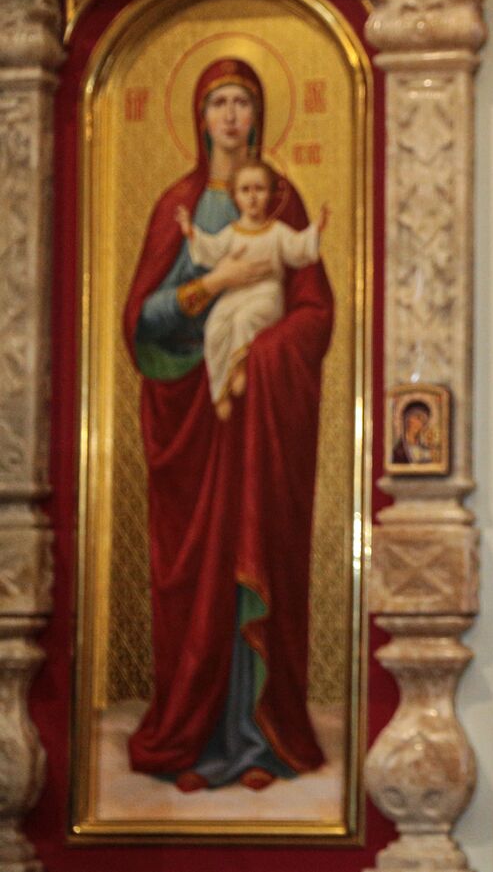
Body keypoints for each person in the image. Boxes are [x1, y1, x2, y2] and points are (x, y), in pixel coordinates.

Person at [122, 57, 331, 792]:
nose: (233, 115)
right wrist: (211, 285)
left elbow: (315, 308)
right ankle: (194, 741)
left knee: (257, 561)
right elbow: (141, 319)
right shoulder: (178, 205)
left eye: (244, 100)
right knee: (198, 577)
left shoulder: (285, 199)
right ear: (200, 116)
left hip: (260, 419)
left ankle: (258, 740)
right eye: (220, 102)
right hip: (193, 421)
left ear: (259, 114)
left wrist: (264, 354)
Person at [176, 160, 329, 419]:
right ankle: (220, 393)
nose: (253, 197)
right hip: (234, 294)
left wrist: (316, 229)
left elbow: (298, 248)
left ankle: (240, 367)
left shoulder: (277, 231)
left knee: (245, 320)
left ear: (269, 194)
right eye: (245, 190)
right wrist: (191, 231)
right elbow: (212, 249)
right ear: (235, 196)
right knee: (214, 329)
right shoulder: (232, 233)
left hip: (266, 294)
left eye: (259, 189)